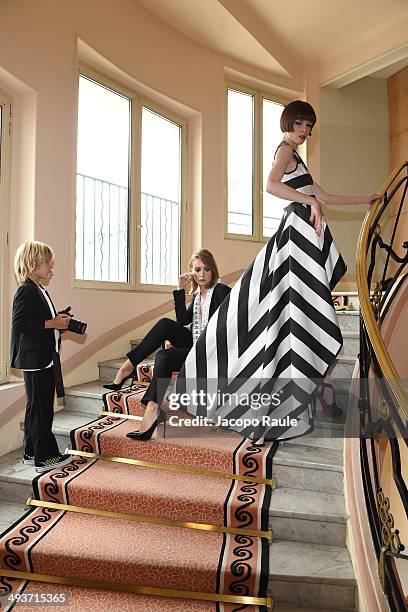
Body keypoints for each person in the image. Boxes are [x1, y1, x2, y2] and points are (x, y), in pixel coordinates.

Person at [176, 100, 380, 443]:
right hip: (294, 234)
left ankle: (284, 400)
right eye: (300, 123)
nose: (305, 131)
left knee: (290, 319)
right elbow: (270, 186)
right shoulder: (285, 149)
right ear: (289, 123)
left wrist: (366, 199)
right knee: (279, 314)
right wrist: (309, 202)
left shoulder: (298, 157)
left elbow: (324, 195)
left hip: (301, 234)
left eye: (309, 126)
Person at [103, 249, 231, 440]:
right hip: (196, 344)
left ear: (213, 271)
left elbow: (236, 318)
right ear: (191, 272)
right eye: (197, 270)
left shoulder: (221, 291)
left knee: (164, 355)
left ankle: (134, 377)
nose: (202, 274)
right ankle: (150, 402)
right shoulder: (197, 297)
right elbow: (181, 321)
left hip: (211, 349)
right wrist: (180, 289)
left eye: (206, 269)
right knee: (164, 326)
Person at [10, 241, 73, 473]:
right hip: (35, 359)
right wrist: (52, 323)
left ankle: (31, 452)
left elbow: (39, 324)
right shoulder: (25, 290)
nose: (51, 267)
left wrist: (58, 324)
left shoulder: (39, 290)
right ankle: (45, 458)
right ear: (33, 263)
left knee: (36, 406)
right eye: (48, 262)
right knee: (41, 409)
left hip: (42, 356)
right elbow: (20, 325)